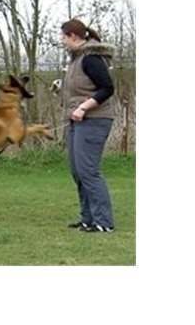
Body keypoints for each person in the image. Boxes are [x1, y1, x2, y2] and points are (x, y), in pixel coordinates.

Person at [61, 18, 116, 232]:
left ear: (73, 36)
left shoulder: (91, 58)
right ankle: (88, 219)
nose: (62, 41)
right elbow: (83, 87)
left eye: (63, 37)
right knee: (78, 171)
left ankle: (104, 222)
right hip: (78, 121)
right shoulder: (76, 59)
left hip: (94, 120)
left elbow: (107, 88)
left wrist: (83, 107)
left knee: (88, 171)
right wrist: (61, 87)